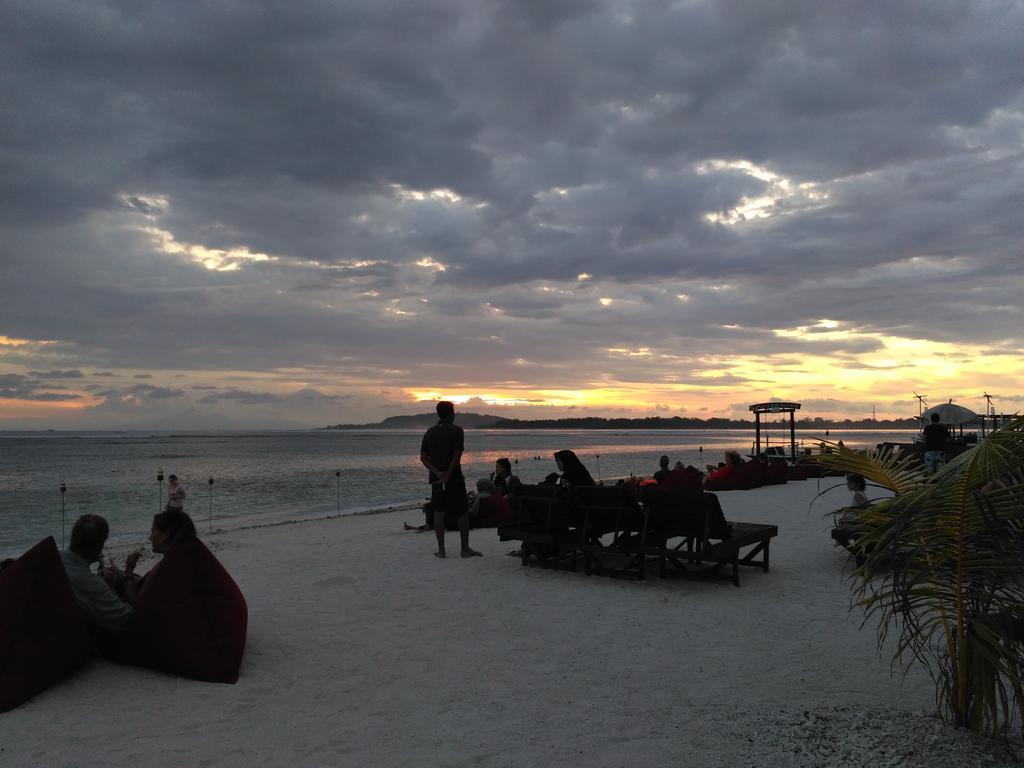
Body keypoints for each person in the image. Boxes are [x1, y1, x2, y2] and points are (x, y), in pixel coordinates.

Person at [420, 401, 481, 558]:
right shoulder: (457, 431)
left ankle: (441, 550)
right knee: (462, 512)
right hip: (453, 477)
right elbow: (456, 455)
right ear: (451, 414)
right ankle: (465, 548)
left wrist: (437, 473)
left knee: (439, 512)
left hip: (436, 478)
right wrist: (447, 475)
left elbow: (423, 458)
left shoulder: (429, 432)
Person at [60, 514, 137, 632]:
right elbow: (127, 619)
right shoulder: (92, 584)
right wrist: (110, 585)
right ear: (98, 547)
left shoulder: (55, 557)